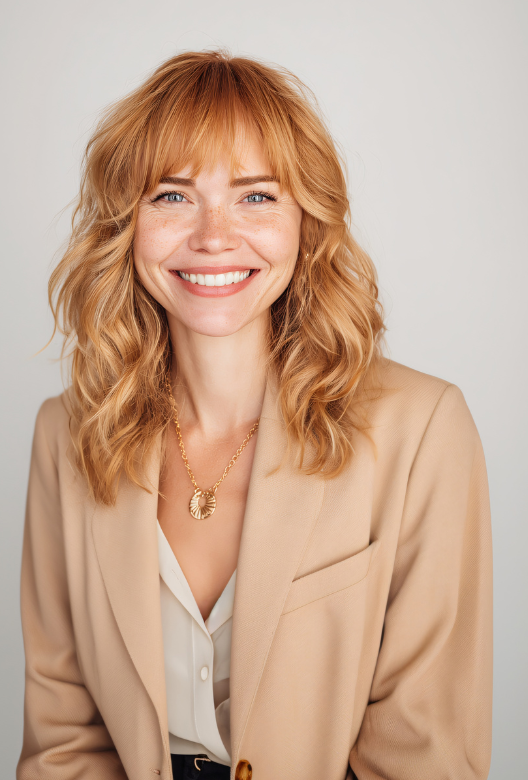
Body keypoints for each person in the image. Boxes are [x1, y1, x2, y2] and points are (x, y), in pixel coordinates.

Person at [17, 50, 493, 780]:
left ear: (307, 219)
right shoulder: (67, 433)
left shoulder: (423, 429)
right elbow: (63, 741)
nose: (213, 236)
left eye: (257, 196)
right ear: (126, 224)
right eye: (172, 196)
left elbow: (424, 753)